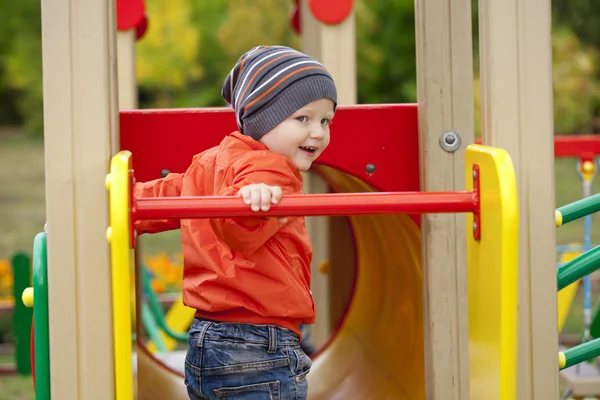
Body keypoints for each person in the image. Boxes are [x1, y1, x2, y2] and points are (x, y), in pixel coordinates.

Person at [133, 45, 337, 400]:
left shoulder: (210, 162)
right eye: (302, 119)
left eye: (325, 120)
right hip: (257, 346)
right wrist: (252, 200)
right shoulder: (273, 171)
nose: (318, 132)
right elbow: (239, 228)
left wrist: (117, 202)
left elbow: (160, 201)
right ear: (262, 117)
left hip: (206, 340)